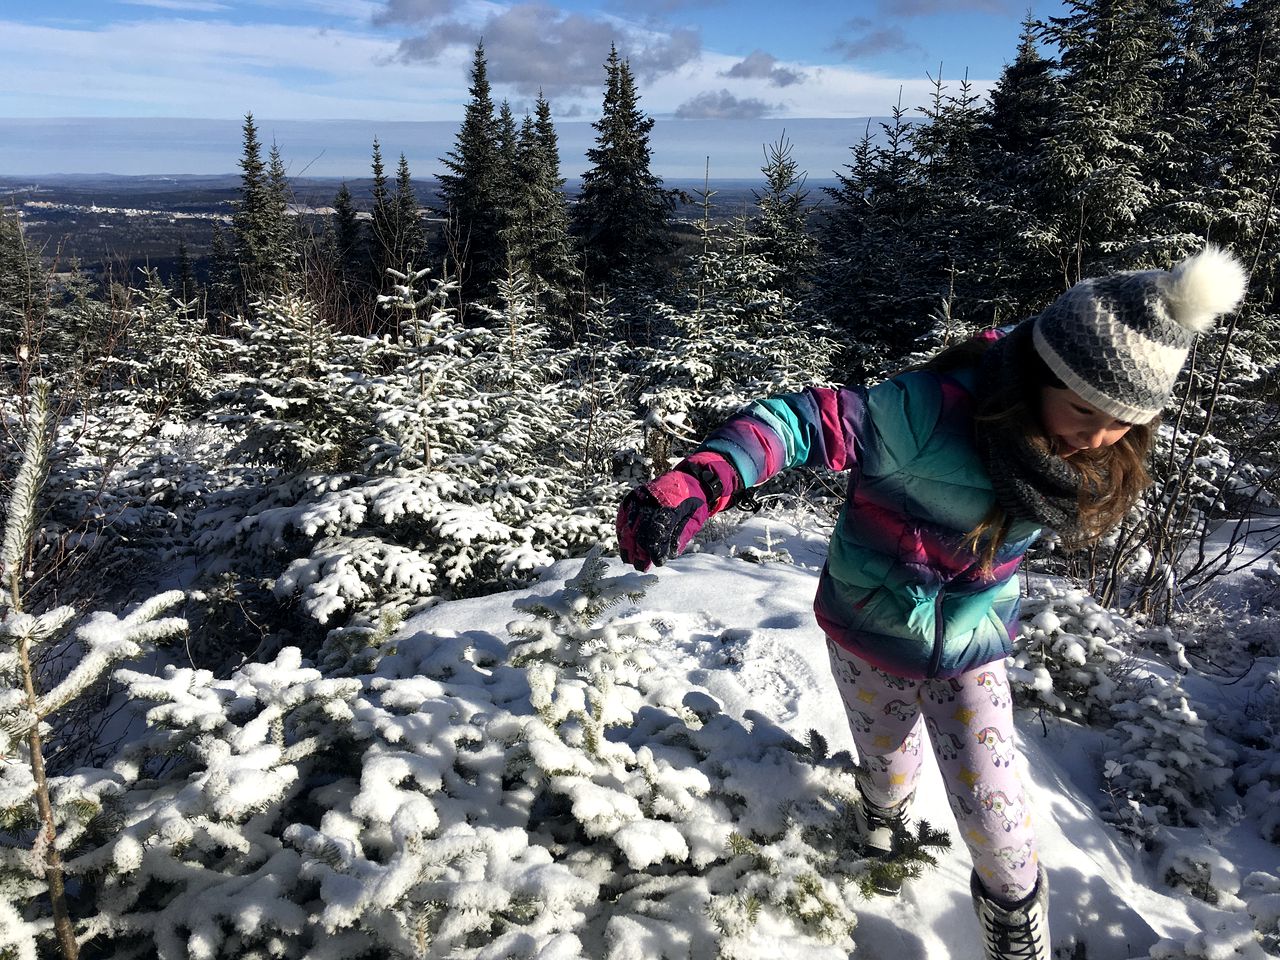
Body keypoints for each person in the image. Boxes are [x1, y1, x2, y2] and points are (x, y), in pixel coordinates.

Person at [616, 247, 1248, 960]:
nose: (1099, 438)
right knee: (886, 768)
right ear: (1043, 372)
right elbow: (801, 422)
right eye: (1084, 410)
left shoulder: (1070, 454)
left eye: (1123, 423)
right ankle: (882, 828)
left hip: (970, 649)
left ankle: (1014, 931)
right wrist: (708, 476)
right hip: (868, 631)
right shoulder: (924, 411)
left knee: (996, 810)